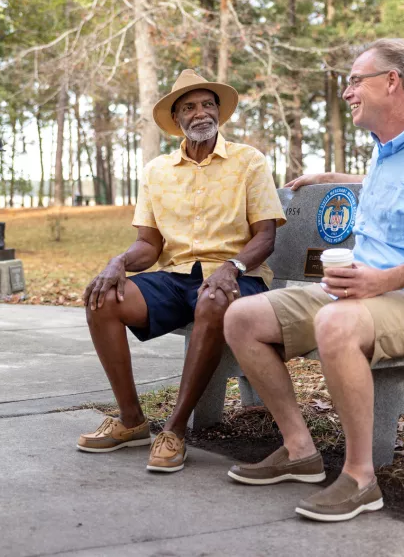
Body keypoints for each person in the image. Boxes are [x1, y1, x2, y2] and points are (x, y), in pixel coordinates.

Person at [222, 39, 404, 521]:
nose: (346, 92)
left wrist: (377, 283)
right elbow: (399, 195)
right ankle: (300, 450)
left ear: (392, 82)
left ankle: (361, 478)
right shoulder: (386, 152)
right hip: (362, 294)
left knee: (337, 324)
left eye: (355, 80)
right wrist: (336, 177)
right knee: (241, 317)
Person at [77, 69, 286, 472]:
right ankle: (132, 420)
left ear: (219, 112)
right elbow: (149, 245)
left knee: (213, 296)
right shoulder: (157, 171)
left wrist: (232, 266)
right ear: (177, 120)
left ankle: (174, 430)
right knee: (102, 299)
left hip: (238, 278)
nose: (201, 112)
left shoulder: (248, 161)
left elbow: (265, 237)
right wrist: (117, 262)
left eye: (208, 104)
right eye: (189, 107)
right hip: (177, 277)